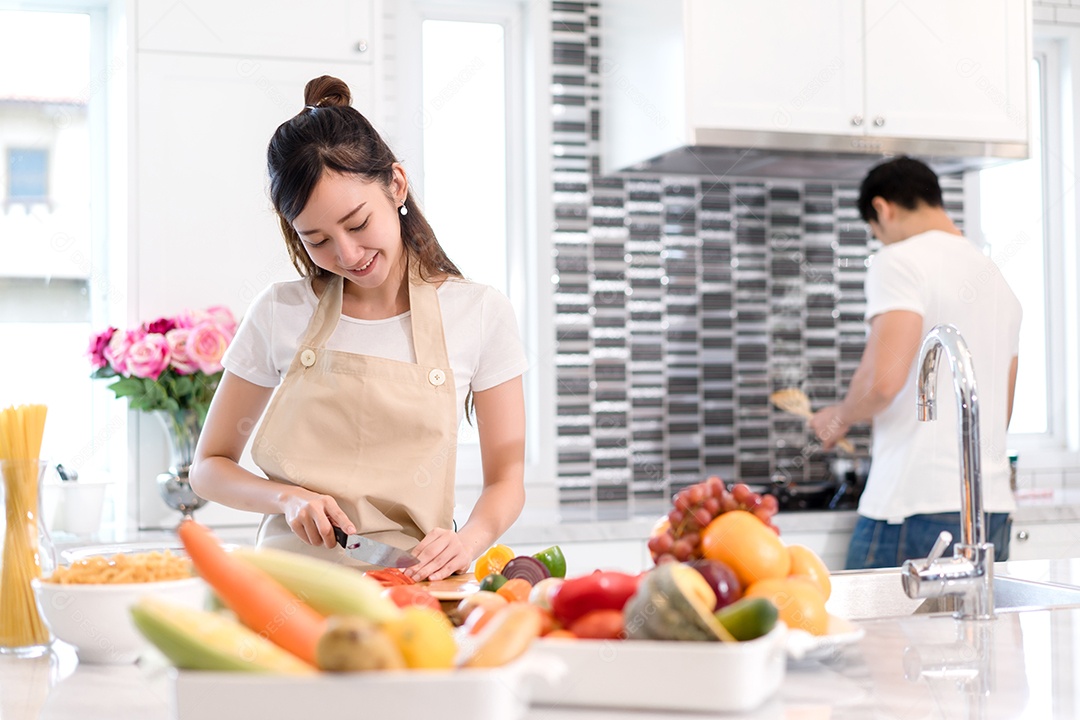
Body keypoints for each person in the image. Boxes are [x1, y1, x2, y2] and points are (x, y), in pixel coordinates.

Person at [190, 75, 528, 581]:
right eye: (317, 239)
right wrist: (287, 498)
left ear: (396, 185)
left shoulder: (479, 312)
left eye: (356, 223)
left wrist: (467, 542)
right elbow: (209, 467)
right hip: (288, 586)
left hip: (413, 585)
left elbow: (507, 477)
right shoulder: (279, 311)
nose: (347, 255)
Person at [809, 156, 1021, 570]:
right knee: (973, 635)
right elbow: (1000, 409)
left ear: (883, 209)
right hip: (989, 508)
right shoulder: (997, 278)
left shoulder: (900, 260)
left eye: (876, 232)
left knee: (874, 635)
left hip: (913, 506)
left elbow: (883, 380)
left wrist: (839, 416)